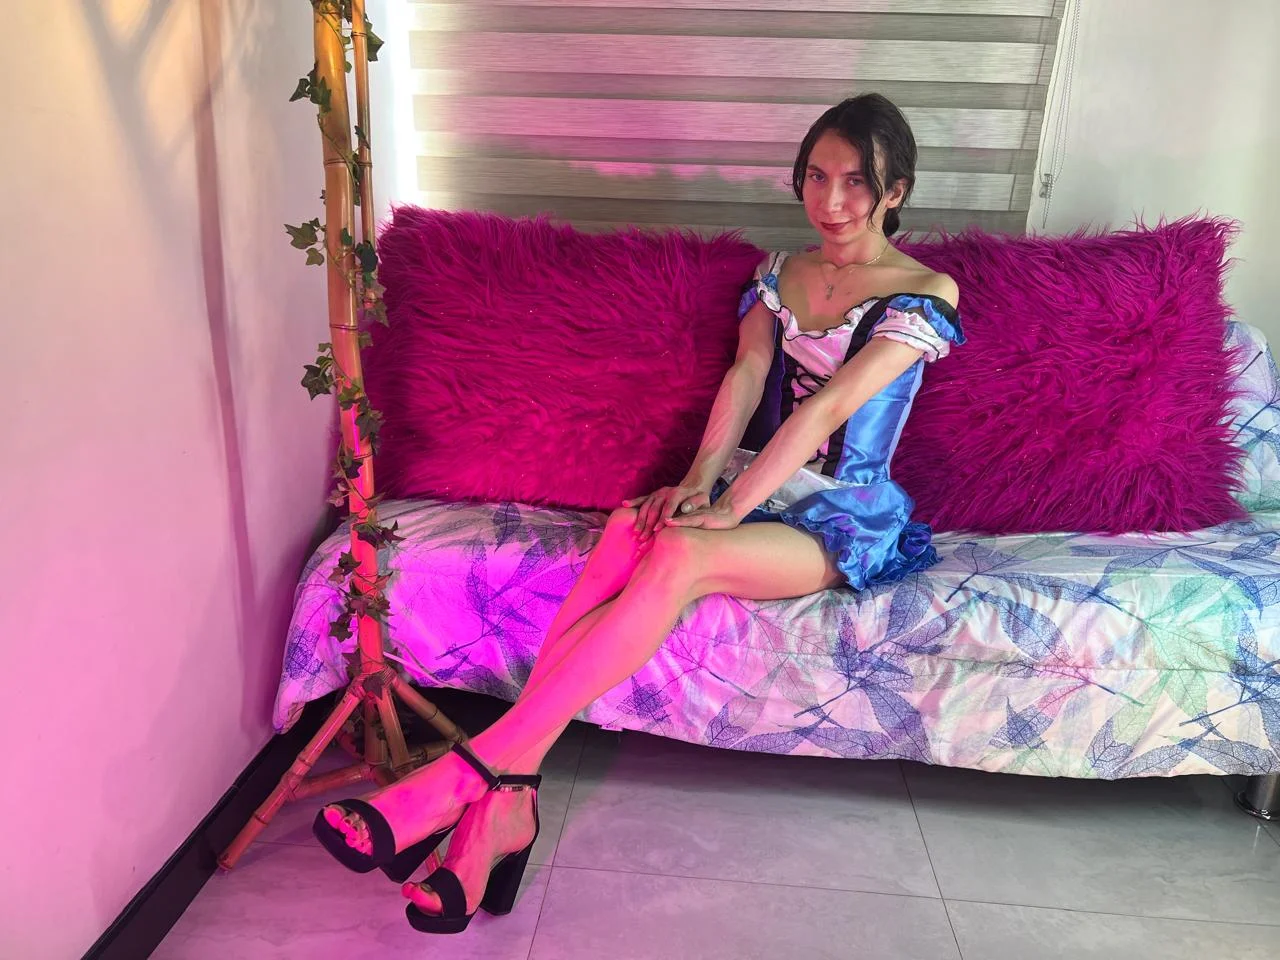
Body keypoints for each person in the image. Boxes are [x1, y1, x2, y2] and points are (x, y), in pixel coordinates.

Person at [312, 92, 966, 935]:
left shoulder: (924, 292)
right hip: (750, 484)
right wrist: (697, 484)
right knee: (635, 526)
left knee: (682, 556)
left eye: (855, 183)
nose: (830, 200)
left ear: (895, 192)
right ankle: (505, 802)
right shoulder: (782, 272)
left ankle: (458, 781)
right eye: (815, 176)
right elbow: (745, 380)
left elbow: (826, 410)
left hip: (842, 515)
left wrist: (728, 510)